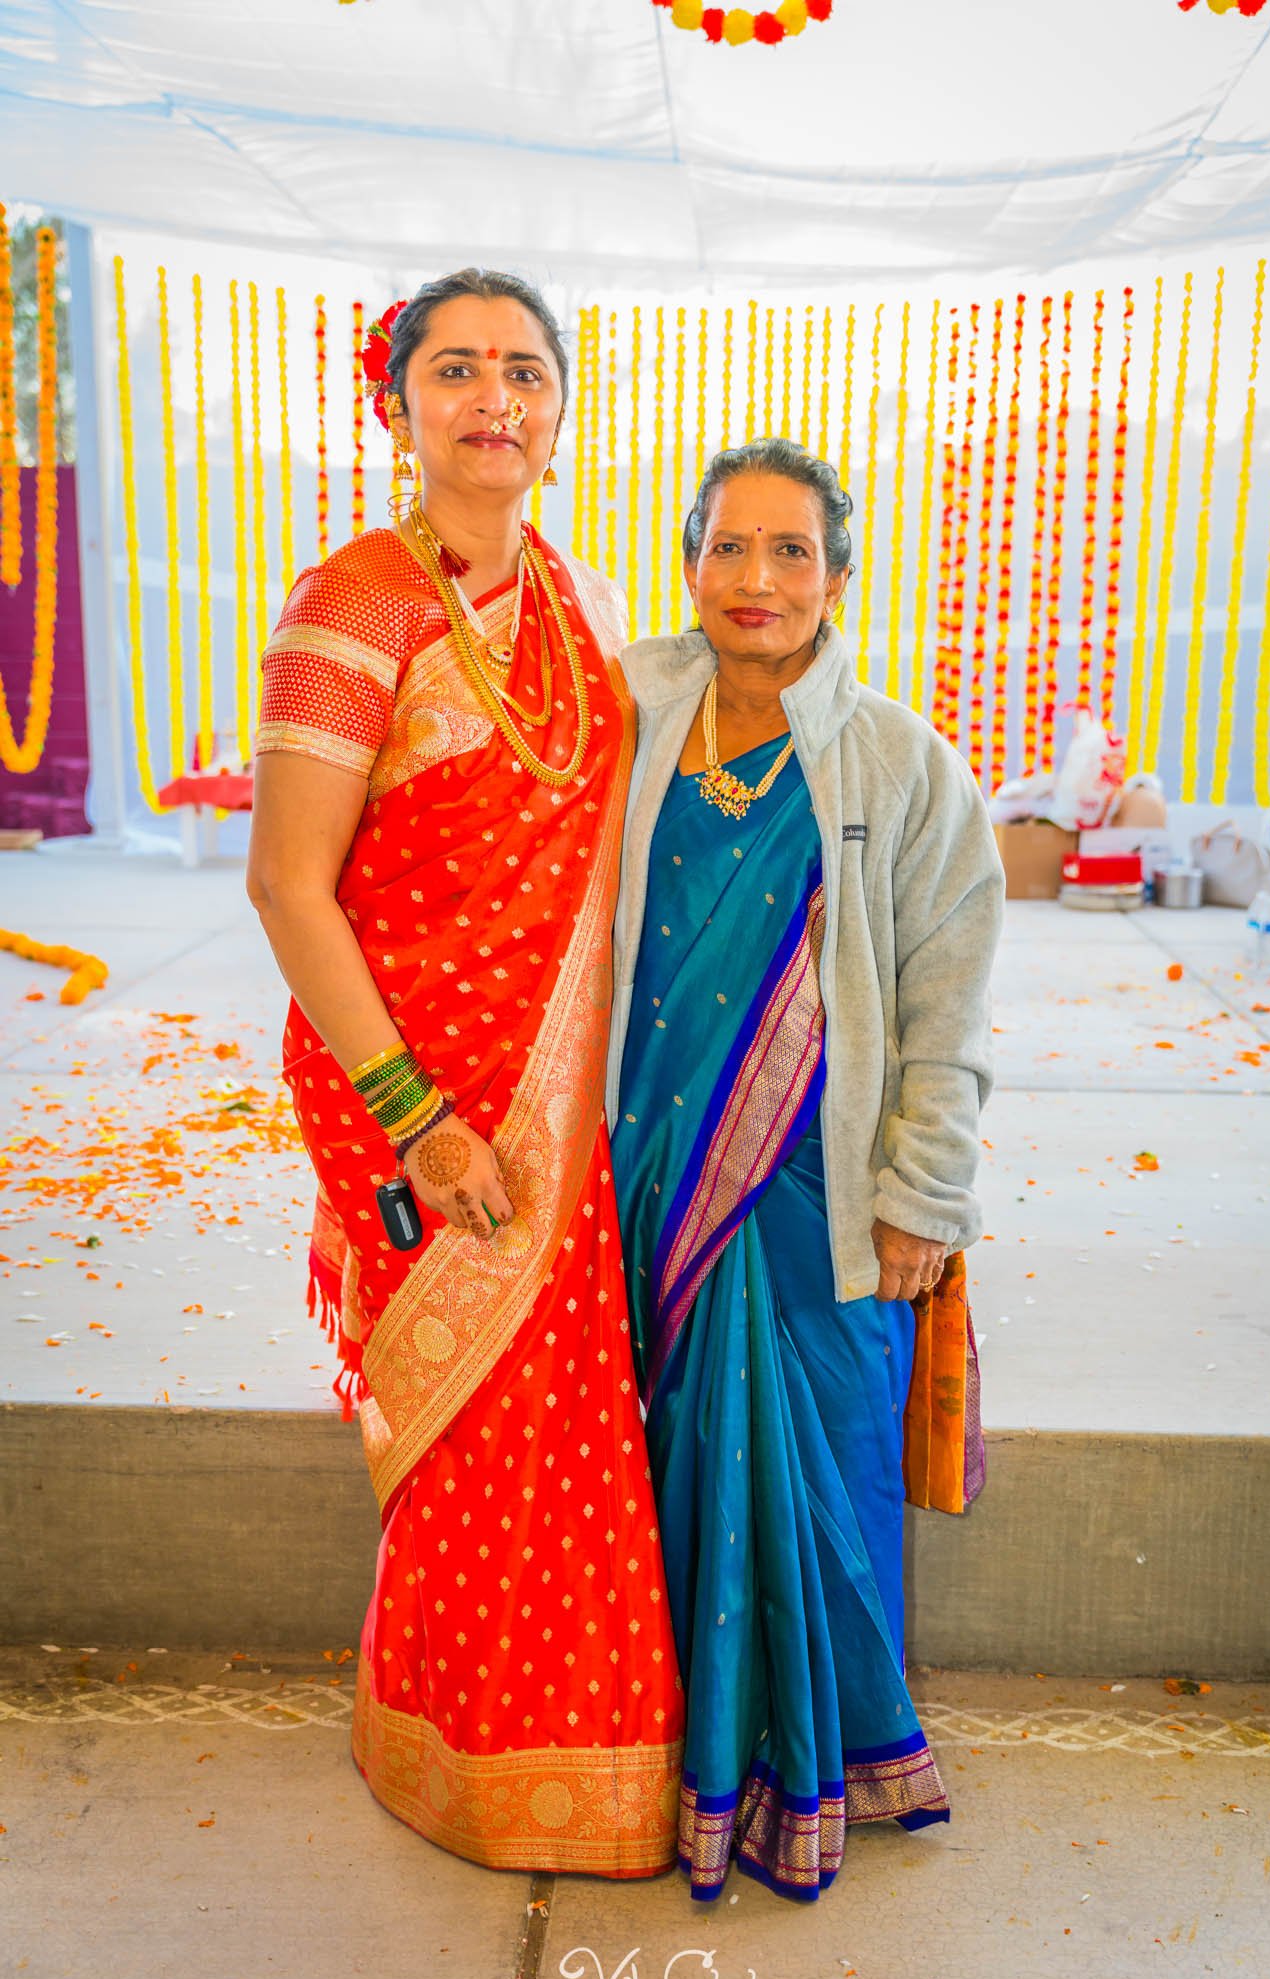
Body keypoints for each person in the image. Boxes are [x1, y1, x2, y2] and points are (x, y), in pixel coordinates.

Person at [246, 269, 683, 1879]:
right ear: (397, 405)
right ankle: (448, 1752)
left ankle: (566, 1752)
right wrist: (419, 1122)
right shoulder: (351, 604)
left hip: (561, 1104)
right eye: (455, 369)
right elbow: (291, 886)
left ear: (558, 415)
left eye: (522, 370)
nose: (492, 395)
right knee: (464, 1425)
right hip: (412, 1096)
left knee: (564, 1424)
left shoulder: (566, 606)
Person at [608, 437, 1004, 1901]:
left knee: (818, 1476)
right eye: (728, 547)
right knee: (650, 1483)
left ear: (837, 579)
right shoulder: (625, 713)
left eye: (791, 552)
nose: (756, 579)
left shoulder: (901, 764)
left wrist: (923, 1195)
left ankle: (800, 1772)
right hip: (638, 1185)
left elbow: (945, 1005)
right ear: (690, 559)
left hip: (819, 1201)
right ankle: (648, 1765)